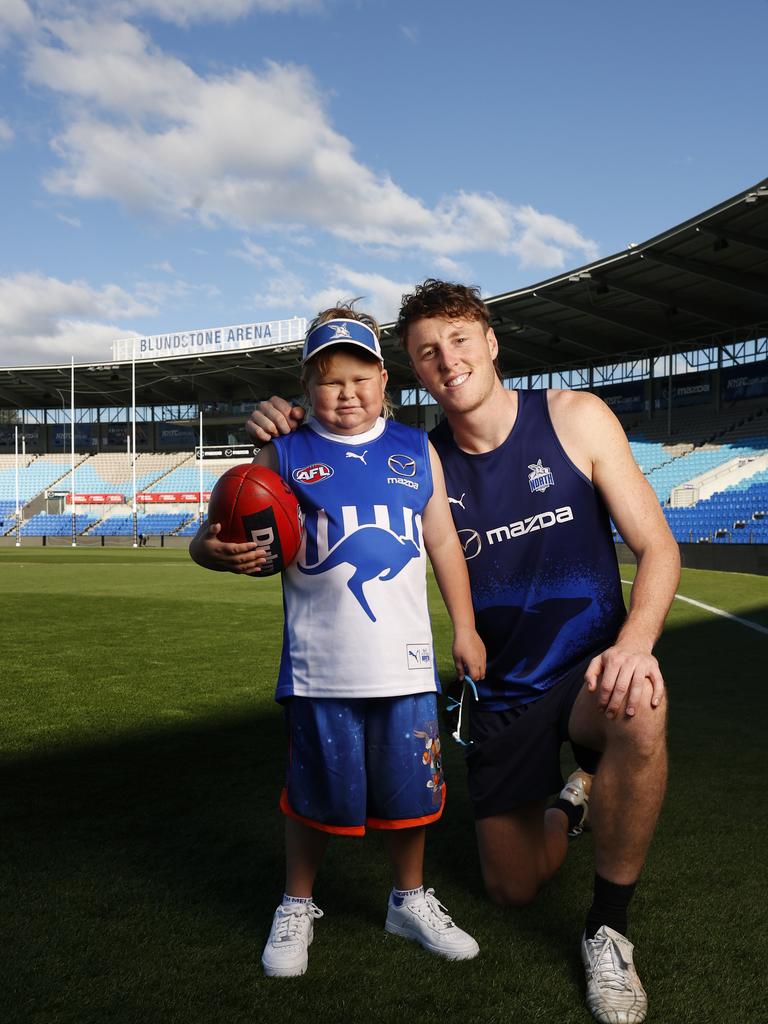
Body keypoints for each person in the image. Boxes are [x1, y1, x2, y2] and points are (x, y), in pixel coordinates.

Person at [244, 281, 680, 1024]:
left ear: (491, 342)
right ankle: (574, 804)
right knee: (513, 886)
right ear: (409, 373)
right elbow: (326, 459)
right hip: (500, 690)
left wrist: (635, 645)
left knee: (640, 703)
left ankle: (608, 928)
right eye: (427, 351)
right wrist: (275, 426)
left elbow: (658, 546)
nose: (447, 360)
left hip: (587, 670)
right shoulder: (417, 457)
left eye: (459, 339)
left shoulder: (574, 417)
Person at [190, 305, 486, 979]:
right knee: (312, 795)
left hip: (406, 664)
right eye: (328, 381)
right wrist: (208, 550)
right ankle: (296, 903)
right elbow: (222, 531)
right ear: (303, 386)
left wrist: (464, 629)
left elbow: (442, 542)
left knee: (413, 794)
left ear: (385, 379)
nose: (345, 393)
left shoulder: (416, 450)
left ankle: (408, 899)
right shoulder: (285, 451)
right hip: (320, 666)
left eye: (359, 377)